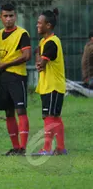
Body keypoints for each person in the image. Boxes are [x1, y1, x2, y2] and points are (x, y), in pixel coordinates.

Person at [0, 4, 31, 156]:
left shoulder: (22, 33)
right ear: (1, 17)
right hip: (4, 77)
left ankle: (23, 147)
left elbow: (26, 56)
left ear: (15, 16)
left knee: (20, 110)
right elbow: (6, 55)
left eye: (11, 16)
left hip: (17, 76)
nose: (8, 19)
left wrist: (6, 64)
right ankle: (15, 147)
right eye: (5, 16)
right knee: (8, 112)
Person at [34, 9, 67, 155]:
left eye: (39, 23)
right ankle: (60, 148)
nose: (37, 25)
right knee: (55, 117)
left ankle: (46, 149)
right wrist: (39, 60)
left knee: (49, 117)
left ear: (48, 25)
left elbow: (41, 64)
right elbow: (39, 59)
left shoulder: (52, 42)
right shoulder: (44, 41)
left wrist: (39, 61)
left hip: (53, 86)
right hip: (48, 86)